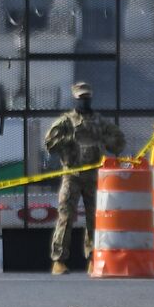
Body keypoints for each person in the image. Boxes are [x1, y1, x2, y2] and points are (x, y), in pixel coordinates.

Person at [44, 81, 125, 275]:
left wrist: (103, 142)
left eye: (87, 97)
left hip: (95, 177)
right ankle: (59, 261)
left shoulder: (99, 122)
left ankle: (94, 259)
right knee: (65, 217)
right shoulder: (66, 121)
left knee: (95, 220)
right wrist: (69, 140)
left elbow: (119, 142)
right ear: (75, 98)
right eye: (81, 98)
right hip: (71, 175)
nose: (84, 101)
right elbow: (49, 143)